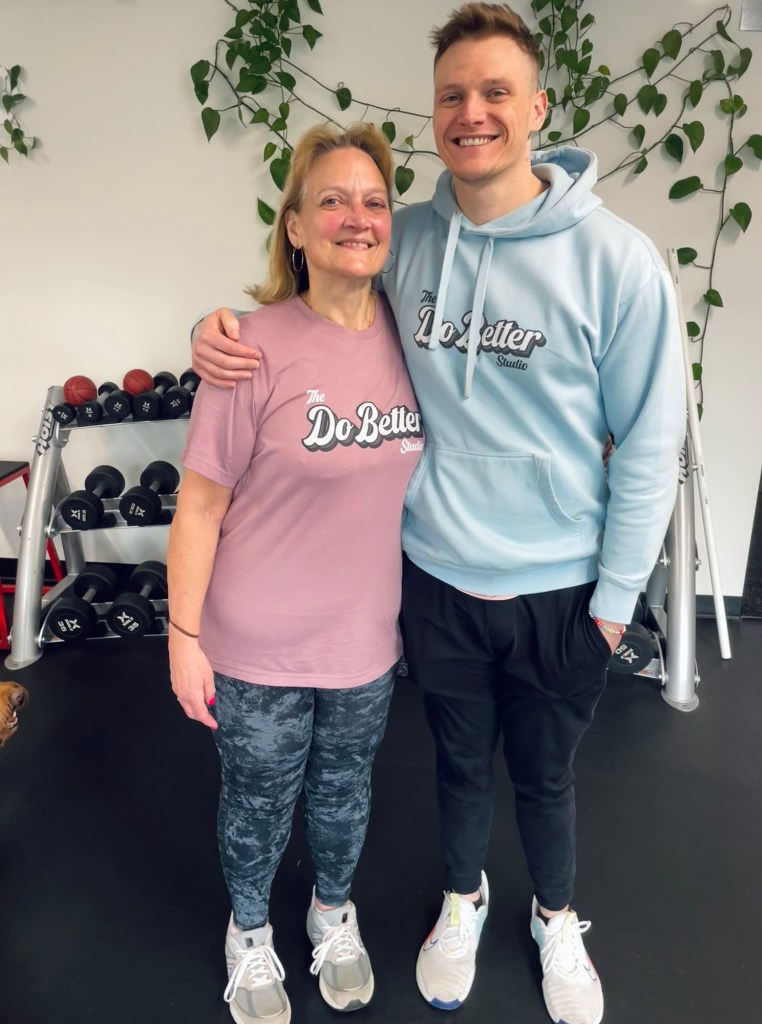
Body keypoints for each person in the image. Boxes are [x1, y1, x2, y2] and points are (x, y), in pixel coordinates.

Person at [190, 5, 687, 1023]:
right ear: (434, 112)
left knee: (547, 778)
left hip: (562, 586)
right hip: (441, 578)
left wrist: (613, 605)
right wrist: (217, 328)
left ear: (537, 108)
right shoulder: (409, 239)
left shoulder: (619, 261)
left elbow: (648, 446)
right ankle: (462, 902)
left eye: (496, 91)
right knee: (456, 765)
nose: (473, 112)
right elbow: (315, 301)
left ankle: (556, 918)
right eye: (453, 94)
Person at [168, 121, 422, 1024]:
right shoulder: (250, 347)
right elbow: (199, 506)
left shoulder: (413, 338)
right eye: (332, 200)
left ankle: (330, 915)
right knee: (259, 801)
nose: (357, 216)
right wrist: (182, 636)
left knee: (345, 794)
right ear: (296, 227)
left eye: (374, 201)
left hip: (363, 639)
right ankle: (249, 933)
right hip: (257, 643)